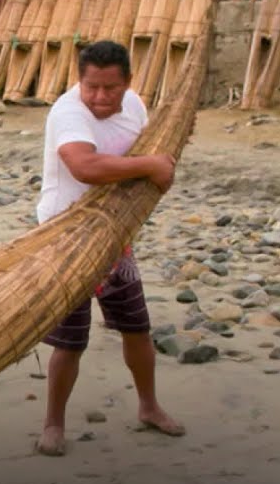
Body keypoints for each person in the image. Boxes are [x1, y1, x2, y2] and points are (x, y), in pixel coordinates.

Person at [34, 39, 185, 457]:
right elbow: (85, 166)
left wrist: (154, 168)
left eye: (110, 89)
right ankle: (53, 424)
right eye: (91, 87)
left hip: (114, 239)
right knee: (70, 340)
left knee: (136, 327)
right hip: (65, 238)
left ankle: (149, 407)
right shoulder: (68, 112)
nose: (99, 98)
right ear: (79, 81)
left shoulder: (135, 105)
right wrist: (151, 166)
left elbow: (144, 151)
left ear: (128, 83)